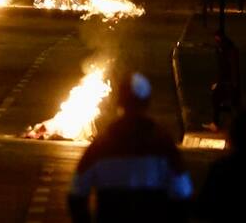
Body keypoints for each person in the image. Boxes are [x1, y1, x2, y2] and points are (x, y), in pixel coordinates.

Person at [69, 72, 193, 223]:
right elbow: (183, 192)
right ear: (147, 102)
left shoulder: (101, 145)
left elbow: (77, 193)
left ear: (119, 102)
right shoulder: (163, 144)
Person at [205, 31, 240, 132]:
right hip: (228, 83)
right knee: (222, 101)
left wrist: (222, 83)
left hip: (228, 83)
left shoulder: (228, 52)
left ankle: (217, 123)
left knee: (219, 100)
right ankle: (217, 122)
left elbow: (229, 69)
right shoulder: (226, 51)